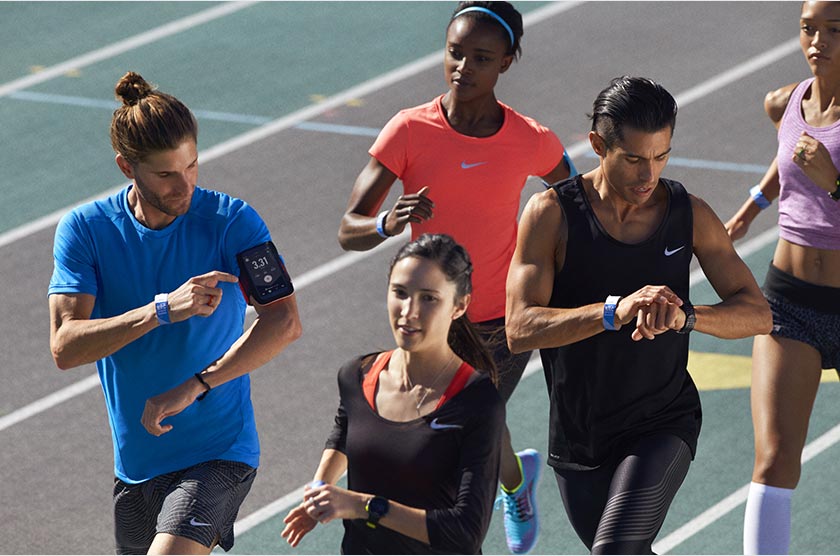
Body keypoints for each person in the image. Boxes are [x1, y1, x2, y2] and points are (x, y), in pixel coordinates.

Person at [336, 2, 574, 551]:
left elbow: (573, 201)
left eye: (481, 58)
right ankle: (516, 480)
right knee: (473, 424)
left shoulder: (529, 137)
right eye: (455, 53)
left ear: (507, 63)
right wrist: (386, 222)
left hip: (500, 319)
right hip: (430, 317)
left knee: (465, 428)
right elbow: (349, 230)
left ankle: (486, 510)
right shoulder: (409, 130)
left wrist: (548, 265)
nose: (463, 67)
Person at [505, 76, 772, 554]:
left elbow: (757, 314)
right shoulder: (551, 215)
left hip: (662, 423)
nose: (649, 174)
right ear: (597, 146)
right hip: (580, 436)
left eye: (661, 156)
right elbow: (519, 328)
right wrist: (614, 311)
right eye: (633, 159)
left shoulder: (689, 214)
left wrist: (686, 316)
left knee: (614, 550)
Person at [48, 72, 302, 555]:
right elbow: (65, 347)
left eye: (192, 165)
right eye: (166, 175)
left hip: (218, 452)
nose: (185, 185)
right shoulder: (84, 231)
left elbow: (285, 321)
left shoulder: (233, 222)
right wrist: (160, 310)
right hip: (137, 464)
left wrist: (198, 384)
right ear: (127, 166)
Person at [280, 234, 505, 554]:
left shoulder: (476, 401)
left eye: (428, 298)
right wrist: (319, 490)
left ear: (459, 306)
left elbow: (465, 534)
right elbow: (344, 431)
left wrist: (364, 506)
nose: (409, 311)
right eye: (400, 293)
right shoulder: (357, 376)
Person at [724, 2, 840, 553]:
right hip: (789, 302)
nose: (817, 41)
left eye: (834, 30)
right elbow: (787, 156)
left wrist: (834, 182)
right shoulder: (785, 101)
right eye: (808, 29)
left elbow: (818, 166)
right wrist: (750, 210)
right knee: (773, 460)